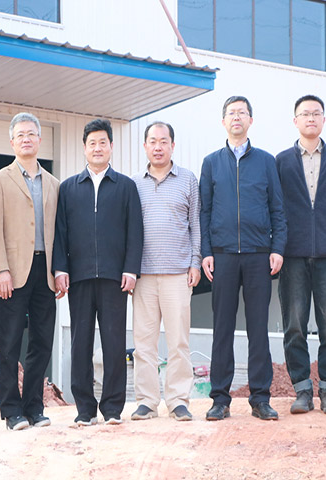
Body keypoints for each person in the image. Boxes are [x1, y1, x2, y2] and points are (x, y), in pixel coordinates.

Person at [200, 96, 286, 421]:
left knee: (258, 329)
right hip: (222, 257)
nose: (236, 117)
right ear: (223, 121)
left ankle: (260, 398)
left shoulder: (266, 161)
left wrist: (277, 248)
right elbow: (204, 211)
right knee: (222, 329)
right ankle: (220, 399)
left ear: (251, 120)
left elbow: (277, 209)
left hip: (257, 256)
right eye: (231, 113)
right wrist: (206, 252)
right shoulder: (211, 163)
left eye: (242, 112)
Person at [53, 118, 143, 426]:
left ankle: (113, 408)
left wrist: (131, 269)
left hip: (115, 277)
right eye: (92, 143)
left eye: (103, 142)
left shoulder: (126, 187)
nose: (97, 148)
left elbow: (135, 231)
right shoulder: (69, 188)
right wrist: (60, 269)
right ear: (84, 148)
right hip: (78, 277)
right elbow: (60, 232)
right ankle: (85, 409)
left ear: (111, 147)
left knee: (114, 343)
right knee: (80, 343)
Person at [276, 95, 326, 415]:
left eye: (316, 113)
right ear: (295, 120)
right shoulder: (281, 161)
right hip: (292, 256)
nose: (311, 118)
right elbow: (276, 207)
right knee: (294, 324)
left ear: (323, 119)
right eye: (305, 113)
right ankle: (302, 390)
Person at [0, 112, 59, 431]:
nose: (26, 139)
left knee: (42, 342)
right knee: (11, 341)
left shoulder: (54, 184)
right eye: (20, 135)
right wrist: (0, 269)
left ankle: (34, 407)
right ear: (12, 142)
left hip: (46, 271)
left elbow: (61, 232)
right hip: (13, 272)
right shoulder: (0, 179)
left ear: (40, 140)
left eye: (31, 134)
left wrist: (60, 270)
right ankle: (11, 410)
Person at [130, 122, 201, 422]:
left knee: (178, 342)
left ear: (172, 145)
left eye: (163, 141)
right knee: (143, 343)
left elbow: (195, 224)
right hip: (143, 275)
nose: (158, 147)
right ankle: (147, 401)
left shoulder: (188, 180)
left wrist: (195, 262)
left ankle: (178, 400)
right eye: (152, 141)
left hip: (178, 274)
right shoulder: (134, 183)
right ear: (145, 146)